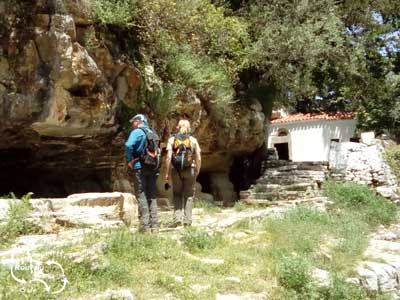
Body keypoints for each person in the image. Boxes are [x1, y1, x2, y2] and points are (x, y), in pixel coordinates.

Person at [125, 114, 159, 232]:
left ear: (139, 121)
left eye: (133, 121)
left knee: (141, 193)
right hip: (153, 167)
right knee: (152, 195)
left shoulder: (137, 132)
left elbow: (128, 145)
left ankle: (145, 226)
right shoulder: (153, 132)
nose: (132, 124)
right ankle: (154, 225)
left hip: (139, 166)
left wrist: (130, 160)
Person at [165, 119, 201, 227]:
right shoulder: (193, 140)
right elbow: (198, 158)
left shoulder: (172, 139)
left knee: (177, 194)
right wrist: (197, 170)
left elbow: (168, 157)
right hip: (190, 170)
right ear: (189, 128)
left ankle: (177, 218)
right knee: (189, 195)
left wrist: (167, 173)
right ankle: (187, 220)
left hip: (176, 170)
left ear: (178, 127)